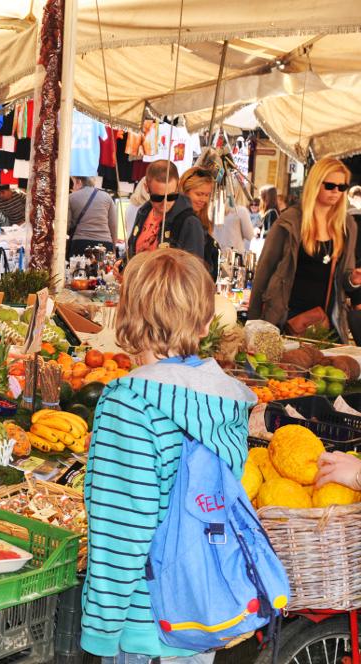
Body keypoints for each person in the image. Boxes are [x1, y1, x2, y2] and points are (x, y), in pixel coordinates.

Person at [82, 247, 255, 664]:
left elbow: (122, 529)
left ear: (127, 314)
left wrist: (100, 631)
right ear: (201, 318)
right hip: (198, 609)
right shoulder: (224, 398)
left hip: (146, 623)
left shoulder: (131, 403)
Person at [248, 157, 360, 341]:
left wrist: (353, 279)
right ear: (316, 184)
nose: (336, 192)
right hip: (286, 318)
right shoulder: (290, 222)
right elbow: (265, 270)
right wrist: (253, 321)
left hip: (327, 322)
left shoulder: (346, 226)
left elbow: (344, 279)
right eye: (330, 185)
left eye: (342, 187)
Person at [126, 160, 206, 268]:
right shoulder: (143, 212)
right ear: (146, 188)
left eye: (171, 196)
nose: (165, 203)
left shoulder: (189, 222)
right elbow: (132, 250)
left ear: (177, 187)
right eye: (158, 198)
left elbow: (194, 271)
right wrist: (123, 264)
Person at [68, 176, 116, 256]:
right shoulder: (107, 197)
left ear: (79, 181)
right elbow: (113, 225)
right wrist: (113, 246)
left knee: (78, 268)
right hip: (105, 243)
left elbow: (67, 224)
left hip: (80, 243)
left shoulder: (72, 197)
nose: (73, 187)